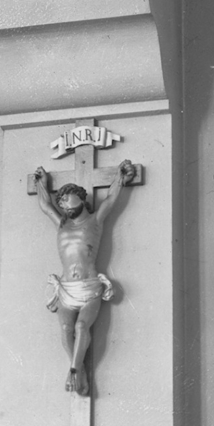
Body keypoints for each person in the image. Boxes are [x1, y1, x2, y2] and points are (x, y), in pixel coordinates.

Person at [32, 160, 135, 395]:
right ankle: (77, 371)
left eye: (66, 199)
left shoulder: (95, 221)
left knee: (81, 326)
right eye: (61, 202)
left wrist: (120, 176)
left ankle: (75, 370)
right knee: (65, 328)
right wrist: (41, 184)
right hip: (66, 288)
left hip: (88, 287)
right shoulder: (61, 224)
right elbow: (45, 205)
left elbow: (111, 198)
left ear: (80, 197)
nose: (63, 205)